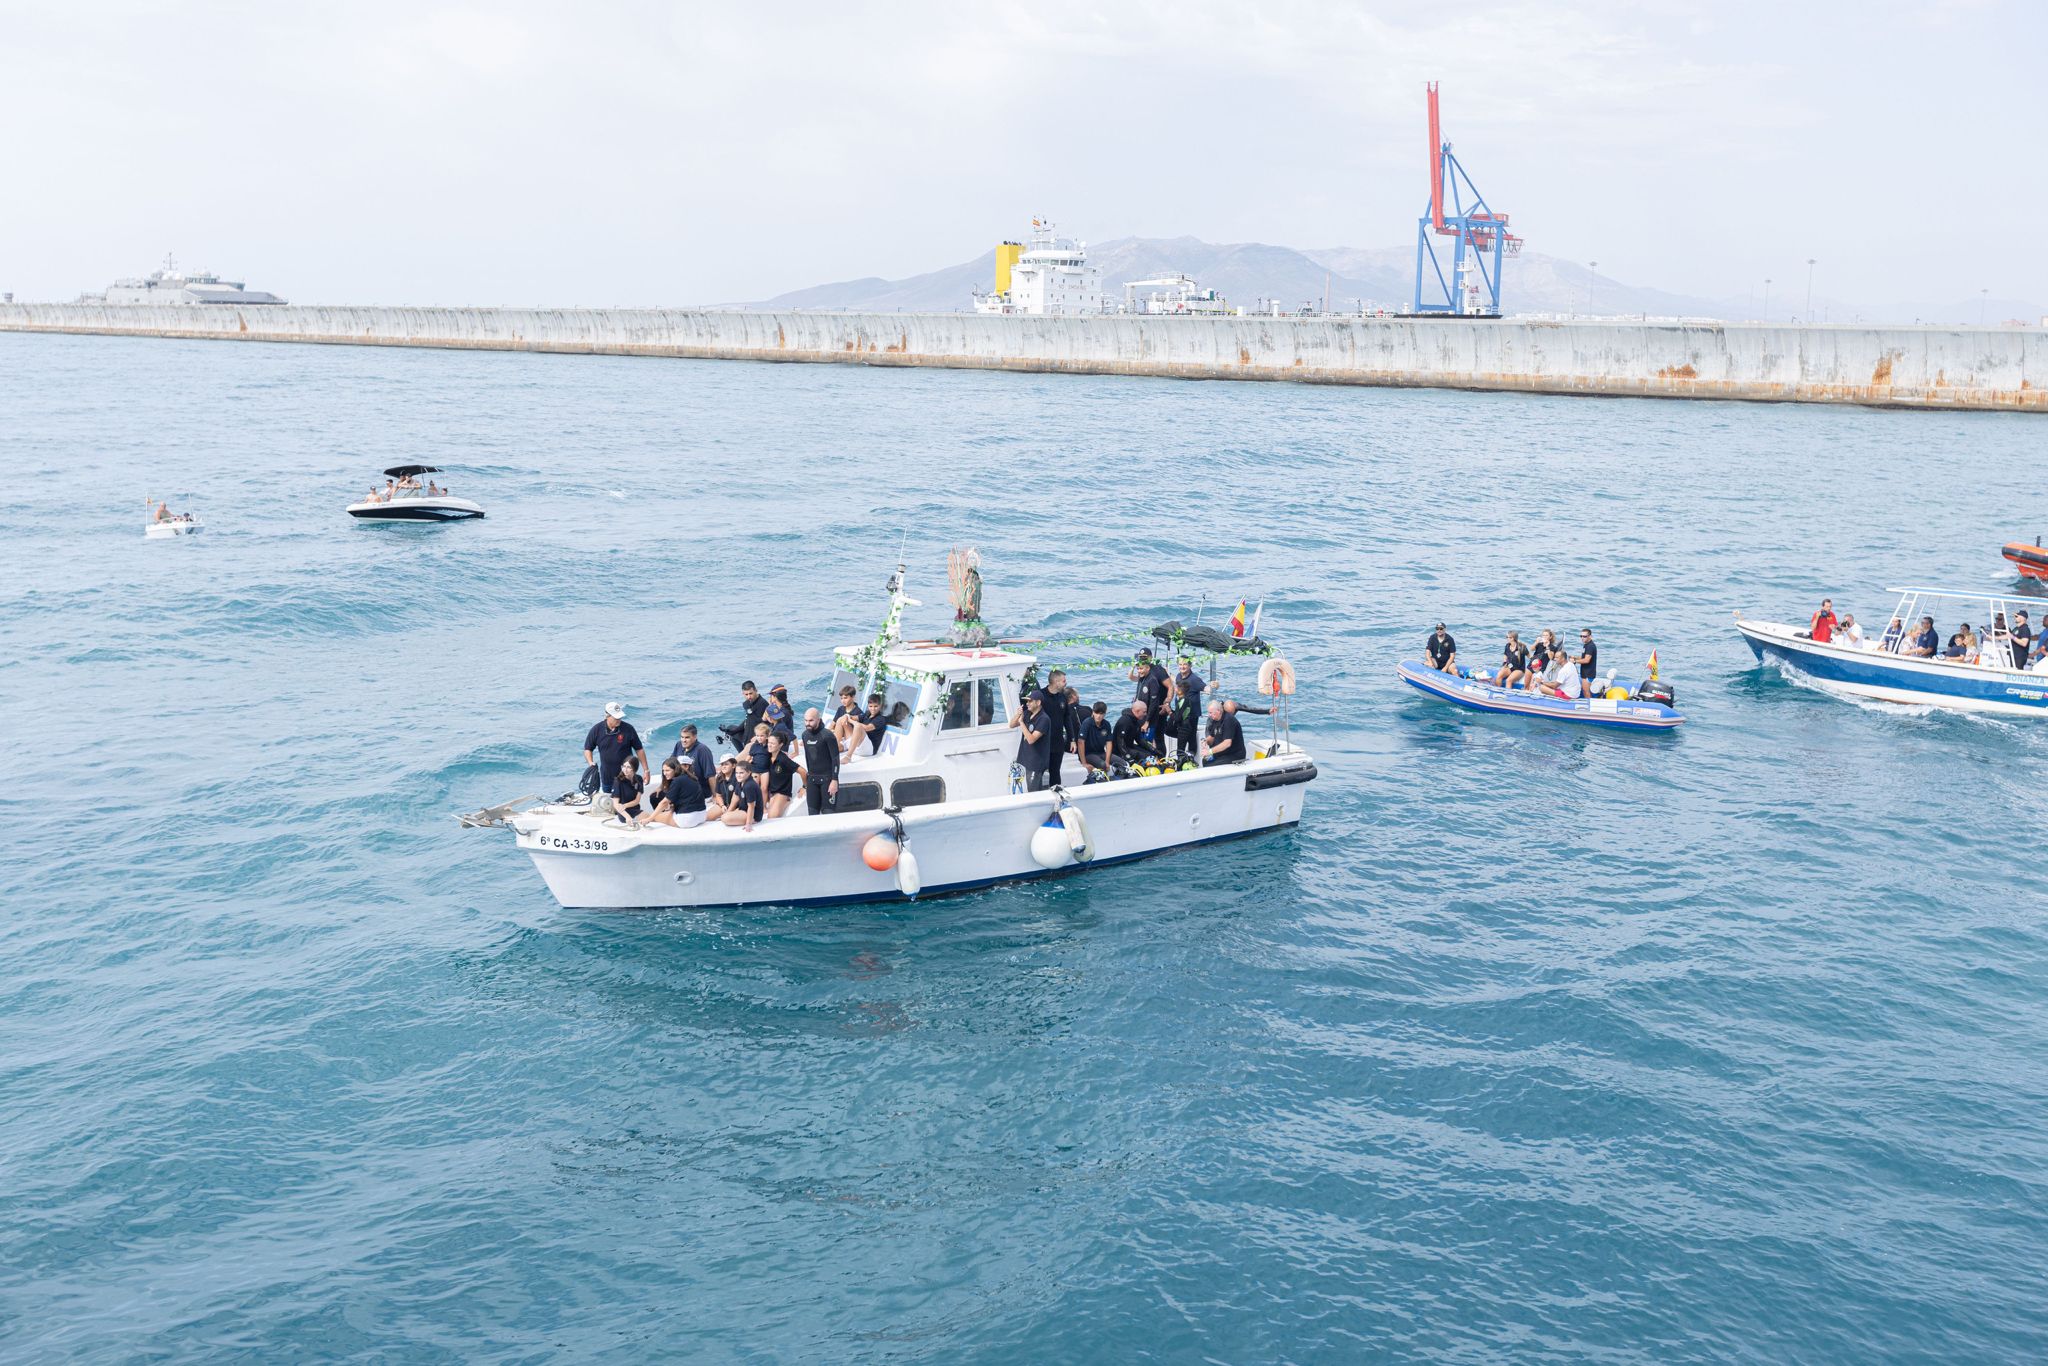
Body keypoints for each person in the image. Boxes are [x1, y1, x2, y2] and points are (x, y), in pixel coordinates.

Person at [582, 701, 647, 801]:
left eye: (620, 717)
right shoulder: (596, 730)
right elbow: (588, 749)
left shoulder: (628, 729)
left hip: (626, 776)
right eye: (616, 718)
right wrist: (590, 762)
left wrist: (646, 770)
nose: (619, 720)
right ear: (607, 716)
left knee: (626, 802)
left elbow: (639, 749)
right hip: (607, 776)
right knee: (610, 803)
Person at [1032, 668, 1072, 784]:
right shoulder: (1041, 696)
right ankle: (1036, 796)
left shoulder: (1062, 697)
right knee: (1038, 771)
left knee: (1055, 771)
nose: (1066, 683)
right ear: (1056, 681)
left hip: (1057, 742)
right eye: (1064, 681)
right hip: (1042, 742)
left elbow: (1067, 718)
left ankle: (1057, 795)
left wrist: (1072, 739)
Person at [643, 758, 707, 830]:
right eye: (663, 770)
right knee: (665, 813)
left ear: (675, 769)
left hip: (688, 819)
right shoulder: (691, 777)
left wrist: (650, 818)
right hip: (702, 815)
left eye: (667, 770)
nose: (664, 773)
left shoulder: (677, 781)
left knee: (652, 817)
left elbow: (664, 802)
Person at [1010, 689, 1053, 791]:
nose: (1027, 703)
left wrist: (1021, 723)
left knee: (1033, 790)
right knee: (1028, 787)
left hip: (1036, 762)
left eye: (1030, 701)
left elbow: (1031, 739)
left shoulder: (1044, 719)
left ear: (1038, 703)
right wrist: (1018, 715)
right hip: (1026, 759)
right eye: (1027, 701)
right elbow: (1011, 725)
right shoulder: (1027, 713)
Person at [799, 708, 840, 815]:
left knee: (828, 815)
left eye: (811, 721)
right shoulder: (804, 735)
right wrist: (806, 784)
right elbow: (808, 759)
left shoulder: (827, 735)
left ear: (819, 720)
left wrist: (834, 780)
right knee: (812, 814)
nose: (808, 723)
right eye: (806, 720)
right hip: (812, 780)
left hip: (828, 780)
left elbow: (835, 759)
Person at [711, 756, 762, 830]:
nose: (738, 775)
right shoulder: (740, 782)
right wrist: (728, 811)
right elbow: (735, 797)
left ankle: (752, 820)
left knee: (725, 818)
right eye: (737, 773)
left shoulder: (749, 786)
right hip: (742, 809)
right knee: (725, 816)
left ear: (749, 772)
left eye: (741, 773)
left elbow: (751, 806)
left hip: (752, 814)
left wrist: (748, 824)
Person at [1112, 699, 1163, 769]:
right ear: (1137, 711)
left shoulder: (1136, 721)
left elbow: (1140, 740)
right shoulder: (1124, 721)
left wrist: (1153, 749)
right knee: (1145, 756)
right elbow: (1120, 743)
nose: (1146, 714)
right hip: (1119, 750)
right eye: (1144, 712)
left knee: (1150, 754)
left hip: (1129, 746)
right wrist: (1128, 757)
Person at [760, 731, 801, 819]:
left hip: (782, 793)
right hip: (772, 792)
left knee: (771, 817)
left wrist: (805, 787)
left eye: (773, 743)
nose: (769, 745)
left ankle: (787, 801)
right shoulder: (767, 756)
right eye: (769, 743)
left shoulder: (783, 759)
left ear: (780, 745)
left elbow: (803, 771)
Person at [719, 681, 769, 749]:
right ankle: (741, 753)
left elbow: (766, 724)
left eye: (751, 693)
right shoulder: (748, 703)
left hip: (755, 737)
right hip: (746, 734)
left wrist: (757, 737)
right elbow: (748, 719)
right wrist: (735, 731)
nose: (749, 697)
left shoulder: (762, 704)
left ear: (756, 690)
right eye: (746, 694)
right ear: (743, 693)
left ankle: (743, 755)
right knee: (731, 730)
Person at [668, 724, 716, 792]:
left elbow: (710, 775)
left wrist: (715, 796)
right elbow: (669, 765)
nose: (684, 740)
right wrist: (661, 787)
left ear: (695, 737)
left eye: (687, 737)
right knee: (655, 797)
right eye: (682, 737)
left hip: (699, 789)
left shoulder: (702, 750)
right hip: (681, 787)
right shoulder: (679, 745)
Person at [1200, 698, 1246, 765]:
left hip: (1234, 755)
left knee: (1210, 765)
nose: (1209, 715)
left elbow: (1227, 743)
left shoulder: (1229, 720)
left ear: (1218, 711)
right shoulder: (1215, 720)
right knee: (1205, 760)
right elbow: (1212, 737)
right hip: (1223, 753)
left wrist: (1210, 751)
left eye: (1210, 712)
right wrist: (1205, 741)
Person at [1130, 649, 1171, 722]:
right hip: (1143, 710)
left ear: (1151, 657)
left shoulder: (1159, 670)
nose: (1143, 659)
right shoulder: (1142, 669)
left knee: (1157, 731)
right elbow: (1133, 678)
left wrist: (1167, 703)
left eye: (1145, 657)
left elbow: (1170, 686)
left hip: (1157, 709)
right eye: (1141, 658)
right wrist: (1132, 667)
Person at [1077, 701, 1114, 782]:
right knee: (1102, 765)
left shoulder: (1106, 724)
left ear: (1105, 714)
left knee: (1121, 762)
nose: (1098, 716)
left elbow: (1109, 743)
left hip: (1100, 752)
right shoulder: (1087, 723)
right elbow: (1080, 742)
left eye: (1101, 714)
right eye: (1096, 713)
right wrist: (1084, 763)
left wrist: (1107, 761)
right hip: (1088, 754)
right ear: (1093, 712)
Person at [830, 685, 867, 757]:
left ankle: (834, 745)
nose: (843, 701)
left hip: (851, 740)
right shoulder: (840, 709)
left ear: (853, 697)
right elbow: (832, 725)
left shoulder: (859, 713)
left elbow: (857, 732)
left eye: (845, 698)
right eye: (841, 698)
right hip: (842, 739)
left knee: (841, 720)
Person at [611, 756, 645, 826]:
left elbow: (637, 801)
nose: (625, 769)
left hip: (635, 809)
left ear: (634, 769)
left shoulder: (639, 779)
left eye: (628, 767)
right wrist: (627, 817)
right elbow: (615, 804)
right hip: (623, 812)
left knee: (650, 817)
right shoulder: (618, 781)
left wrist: (625, 805)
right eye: (624, 766)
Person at [1572, 628, 1599, 695]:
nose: (1582, 638)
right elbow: (1584, 657)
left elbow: (1587, 660)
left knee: (1586, 691)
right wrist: (1575, 657)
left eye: (1584, 636)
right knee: (1585, 690)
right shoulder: (1586, 645)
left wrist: (1575, 661)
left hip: (1588, 673)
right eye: (1581, 636)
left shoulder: (1590, 646)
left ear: (1590, 636)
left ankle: (1589, 704)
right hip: (1585, 673)